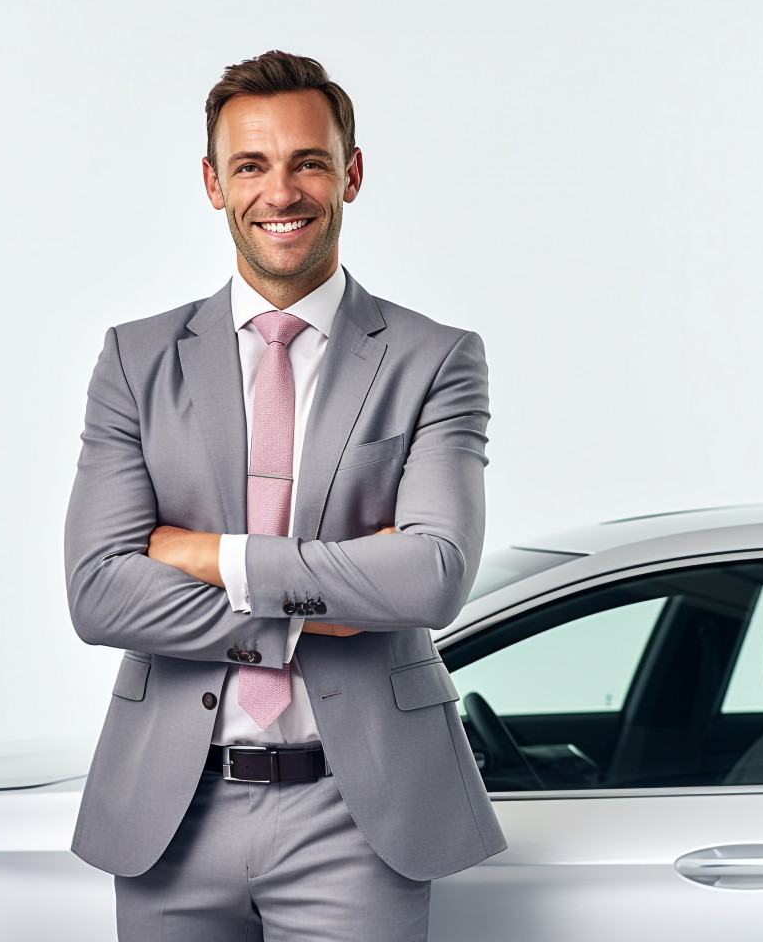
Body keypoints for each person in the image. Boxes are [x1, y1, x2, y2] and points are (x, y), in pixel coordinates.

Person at [65, 50, 506, 942]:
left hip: (360, 811)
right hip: (173, 810)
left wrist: (208, 556)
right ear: (213, 184)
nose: (282, 191)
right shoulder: (136, 360)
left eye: (308, 160)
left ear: (349, 172)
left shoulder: (434, 359)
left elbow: (432, 577)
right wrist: (320, 600)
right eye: (251, 166)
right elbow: (98, 591)